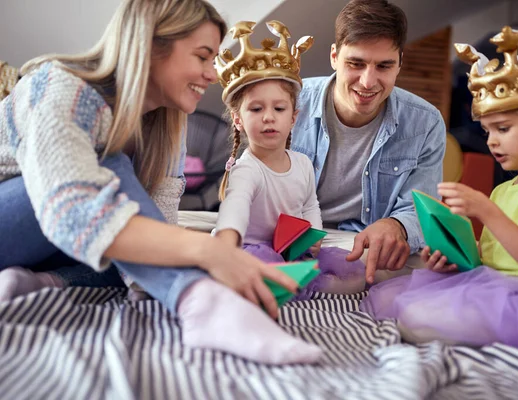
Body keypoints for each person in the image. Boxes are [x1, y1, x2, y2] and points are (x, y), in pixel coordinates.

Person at [0, 0, 322, 365]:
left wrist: (158, 282)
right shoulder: (59, 87)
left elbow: (160, 225)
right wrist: (209, 253)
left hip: (59, 246)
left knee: (147, 252)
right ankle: (203, 304)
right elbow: (70, 213)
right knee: (111, 167)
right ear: (151, 46)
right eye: (203, 57)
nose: (213, 74)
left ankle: (39, 283)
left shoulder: (168, 121)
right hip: (27, 221)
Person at [360, 15, 518, 366]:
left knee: (418, 320)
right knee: (390, 303)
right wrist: (454, 258)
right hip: (497, 290)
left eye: (503, 128)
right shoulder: (504, 191)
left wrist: (485, 210)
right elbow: (491, 260)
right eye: (488, 132)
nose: (492, 142)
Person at [291, 0, 447, 285]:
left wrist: (396, 225)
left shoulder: (427, 123)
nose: (367, 81)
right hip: (291, 239)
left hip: (363, 250)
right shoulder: (288, 102)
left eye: (384, 66)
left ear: (400, 62)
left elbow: (422, 209)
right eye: (356, 63)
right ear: (334, 57)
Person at [213, 20, 366, 297]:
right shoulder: (247, 170)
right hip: (252, 249)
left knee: (354, 269)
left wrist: (314, 235)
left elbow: (309, 204)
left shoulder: (303, 164)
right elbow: (234, 208)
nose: (268, 116)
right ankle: (286, 284)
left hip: (291, 248)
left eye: (279, 108)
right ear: (238, 120)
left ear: (293, 117)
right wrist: (227, 241)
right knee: (265, 265)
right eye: (256, 109)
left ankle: (297, 281)